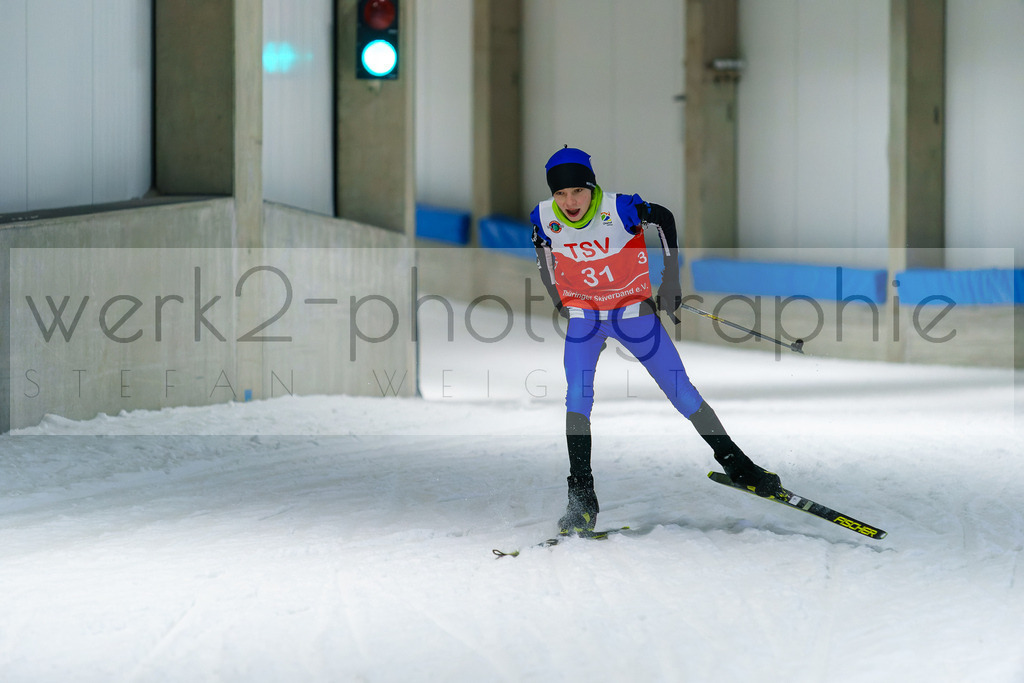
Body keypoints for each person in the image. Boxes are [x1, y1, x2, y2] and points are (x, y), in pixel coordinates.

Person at [530, 146, 785, 535]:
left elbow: (662, 218)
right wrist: (559, 297)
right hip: (585, 317)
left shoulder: (620, 208)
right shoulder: (544, 216)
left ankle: (738, 464)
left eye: (577, 192)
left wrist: (670, 280)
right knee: (577, 395)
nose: (569, 202)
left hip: (633, 313)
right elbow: (543, 249)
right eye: (561, 194)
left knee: (680, 390)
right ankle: (581, 498)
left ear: (591, 187)